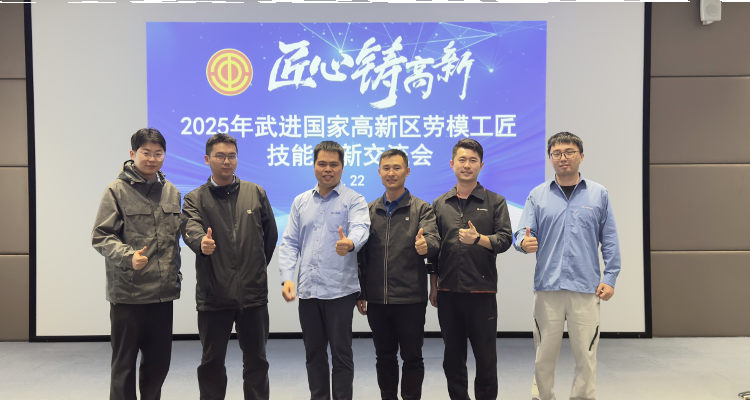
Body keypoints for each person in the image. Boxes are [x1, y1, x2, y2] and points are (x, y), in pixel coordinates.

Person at [514, 132, 621, 400]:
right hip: (547, 287)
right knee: (544, 356)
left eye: (569, 152)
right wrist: (523, 242)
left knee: (586, 355)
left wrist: (610, 277)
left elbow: (609, 239)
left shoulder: (598, 194)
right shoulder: (537, 195)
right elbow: (522, 233)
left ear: (581, 156)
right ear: (550, 158)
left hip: (586, 287)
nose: (563, 157)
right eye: (557, 153)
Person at [180, 133, 278, 400]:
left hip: (253, 295)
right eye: (220, 156)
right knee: (211, 363)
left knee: (257, 361)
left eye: (231, 156)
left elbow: (270, 236)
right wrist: (201, 243)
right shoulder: (195, 198)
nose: (226, 161)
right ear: (207, 159)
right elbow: (190, 228)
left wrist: (255, 268)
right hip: (214, 295)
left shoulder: (255, 192)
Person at [92, 128, 182, 400]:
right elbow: (101, 236)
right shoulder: (116, 191)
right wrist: (128, 256)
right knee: (124, 366)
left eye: (158, 153)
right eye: (146, 153)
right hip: (128, 295)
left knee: (158, 364)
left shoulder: (171, 191)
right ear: (133, 154)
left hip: (162, 294)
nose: (152, 159)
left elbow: (175, 236)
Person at [278, 140, 370, 400]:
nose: (328, 169)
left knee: (342, 355)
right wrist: (287, 278)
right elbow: (290, 242)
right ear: (314, 166)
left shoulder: (354, 200)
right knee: (314, 355)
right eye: (322, 164)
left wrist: (350, 243)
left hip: (340, 291)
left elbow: (361, 228)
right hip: (308, 291)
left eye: (333, 164)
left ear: (342, 167)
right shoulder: (301, 201)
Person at [431, 138, 513, 400]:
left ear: (481, 165)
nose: (467, 165)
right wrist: (433, 286)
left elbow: (505, 240)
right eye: (462, 160)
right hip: (448, 292)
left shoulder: (495, 201)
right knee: (452, 358)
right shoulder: (440, 203)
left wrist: (479, 239)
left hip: (482, 292)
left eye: (473, 160)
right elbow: (434, 250)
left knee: (486, 359)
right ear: (452, 164)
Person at [356, 149, 440, 400]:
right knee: (384, 356)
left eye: (397, 167)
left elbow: (433, 239)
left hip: (410, 299)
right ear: (379, 172)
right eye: (386, 168)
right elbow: (362, 257)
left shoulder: (422, 209)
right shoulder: (369, 211)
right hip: (378, 300)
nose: (391, 173)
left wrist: (426, 246)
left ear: (407, 171)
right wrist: (361, 292)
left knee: (412, 357)